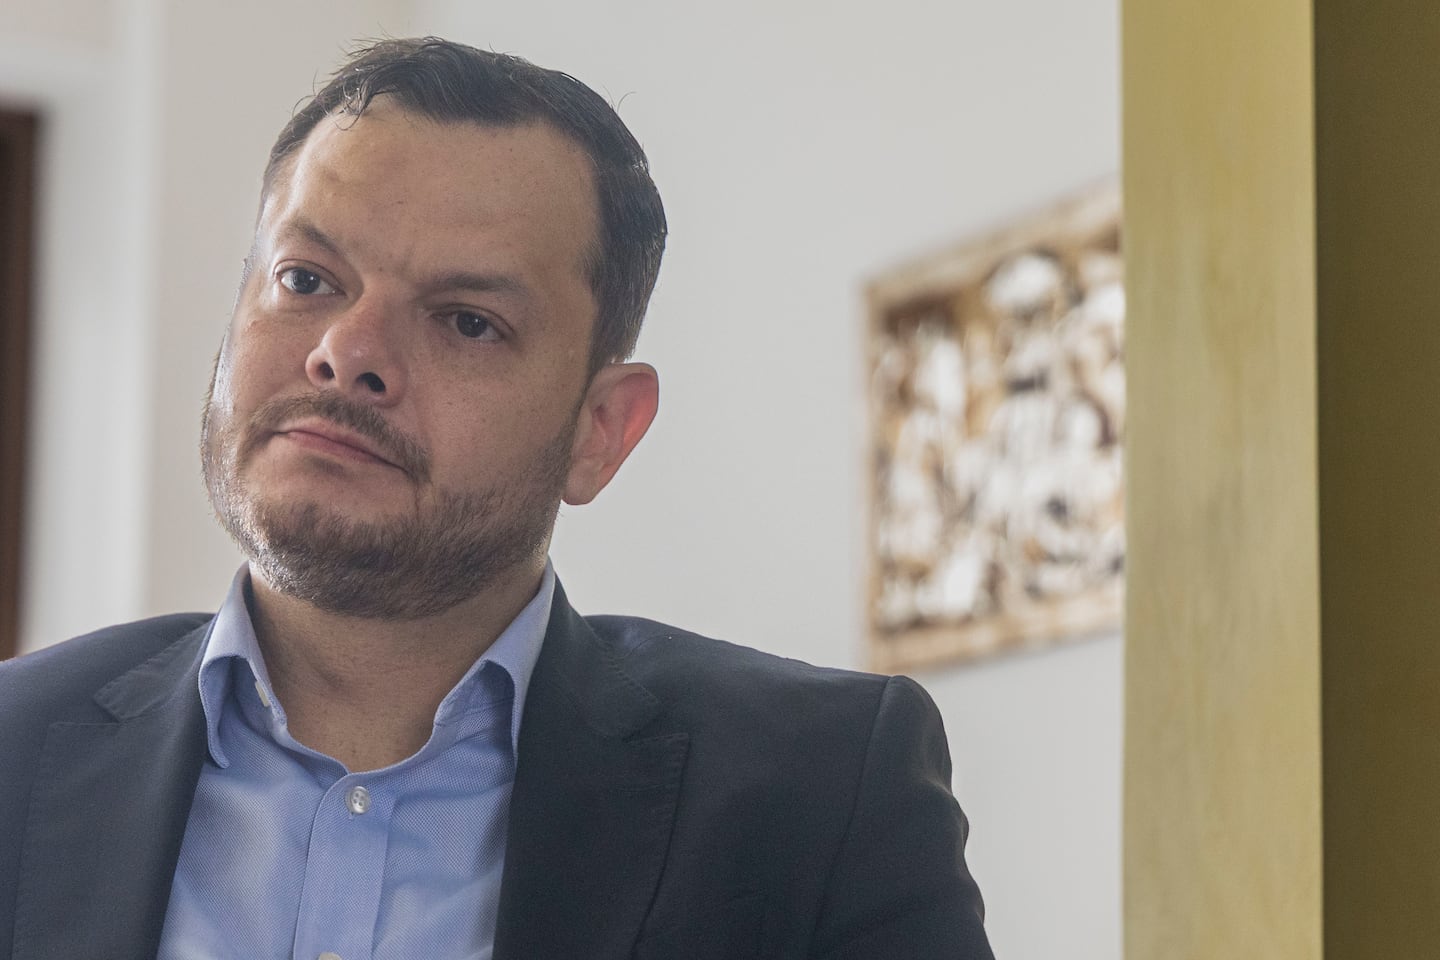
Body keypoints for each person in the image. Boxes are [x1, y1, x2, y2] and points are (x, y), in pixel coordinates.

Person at [0, 37, 995, 959]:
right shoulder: (13, 756)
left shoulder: (821, 801)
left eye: (467, 322)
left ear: (601, 431)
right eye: (306, 279)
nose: (347, 351)